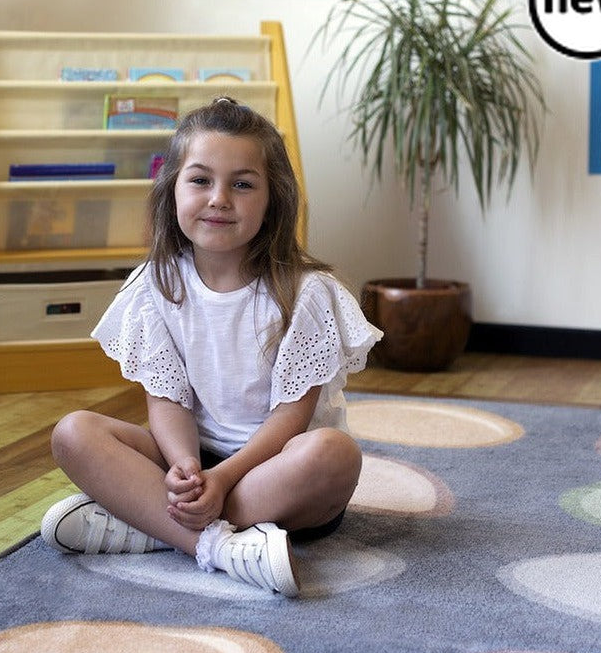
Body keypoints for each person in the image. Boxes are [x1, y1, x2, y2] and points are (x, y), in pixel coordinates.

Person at [41, 97, 382, 597]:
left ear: (272, 200)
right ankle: (220, 546)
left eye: (242, 184)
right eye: (200, 180)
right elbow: (167, 400)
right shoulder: (154, 286)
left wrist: (222, 481)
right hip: (194, 464)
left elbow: (292, 418)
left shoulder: (306, 293)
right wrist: (184, 466)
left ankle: (153, 528)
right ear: (172, 190)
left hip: (275, 472)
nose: (219, 198)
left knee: (335, 454)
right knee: (73, 433)